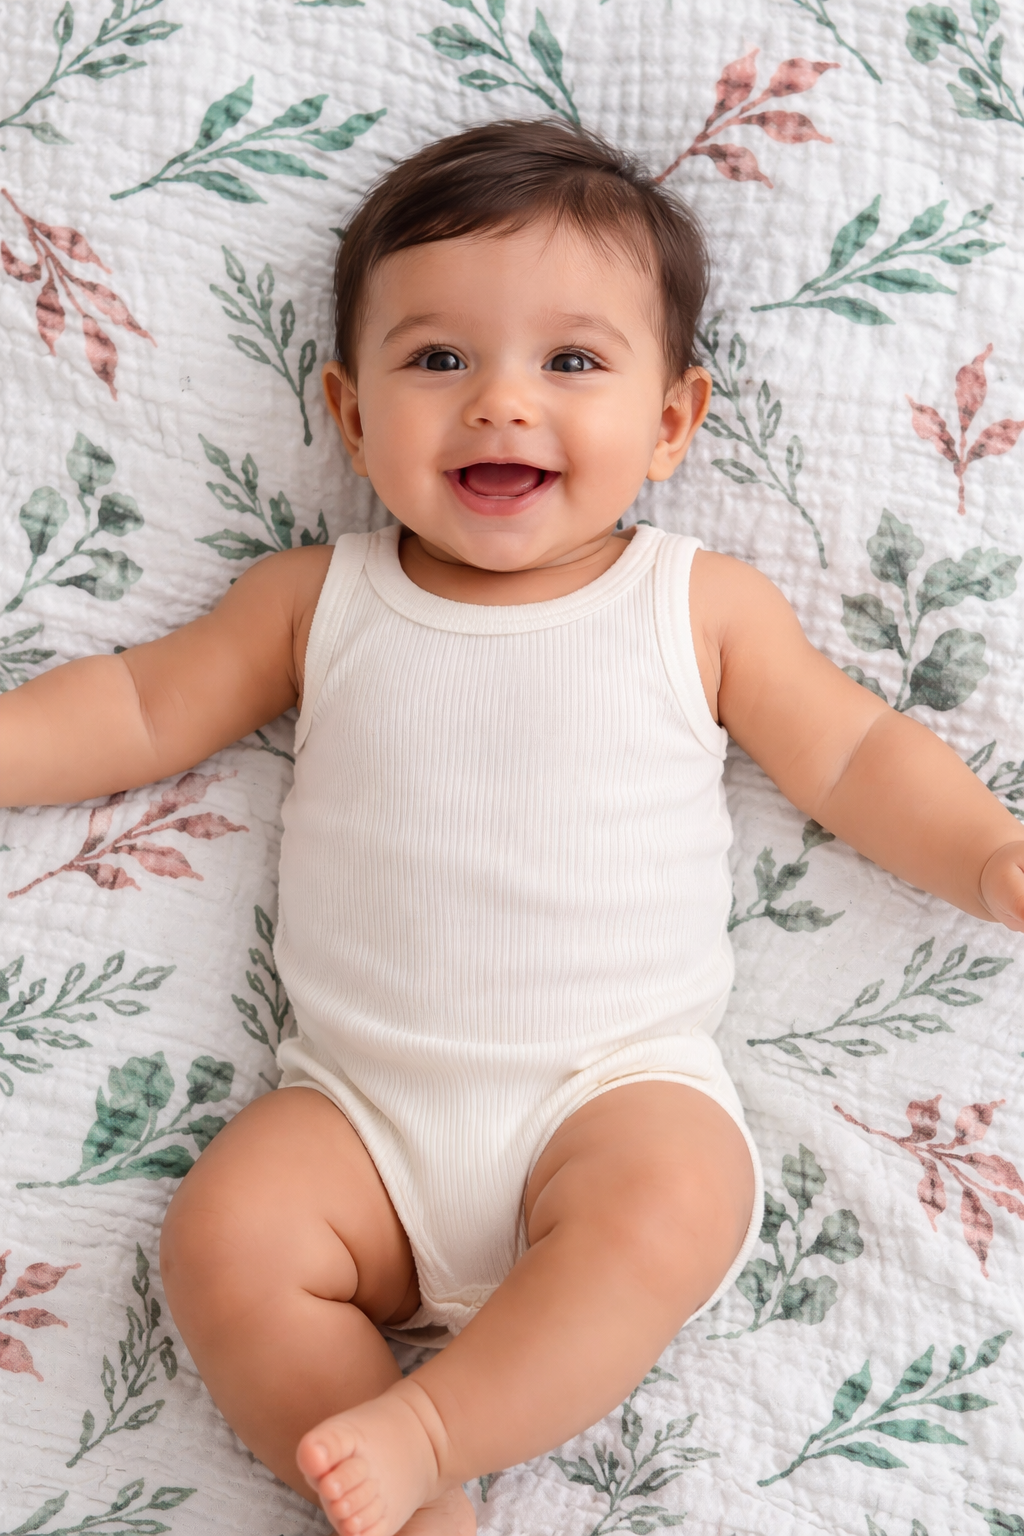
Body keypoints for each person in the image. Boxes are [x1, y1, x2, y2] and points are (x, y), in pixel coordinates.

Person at [2, 119, 1022, 1536]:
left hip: (607, 1095)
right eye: (437, 359)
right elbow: (135, 706)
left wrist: (987, 853)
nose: (499, 404)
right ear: (351, 414)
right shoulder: (317, 600)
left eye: (573, 363)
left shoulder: (695, 605)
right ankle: (417, 1511)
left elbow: (852, 754)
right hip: (358, 1115)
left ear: (672, 420)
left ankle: (428, 1431)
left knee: (672, 1200)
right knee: (224, 1238)